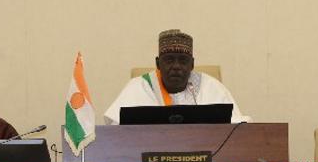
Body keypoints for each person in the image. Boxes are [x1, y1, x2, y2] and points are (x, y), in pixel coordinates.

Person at [104, 29, 250, 124]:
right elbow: (116, 130)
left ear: (192, 64)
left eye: (183, 60)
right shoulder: (139, 87)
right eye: (169, 60)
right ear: (158, 63)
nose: (176, 66)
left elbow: (237, 127)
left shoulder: (211, 87)